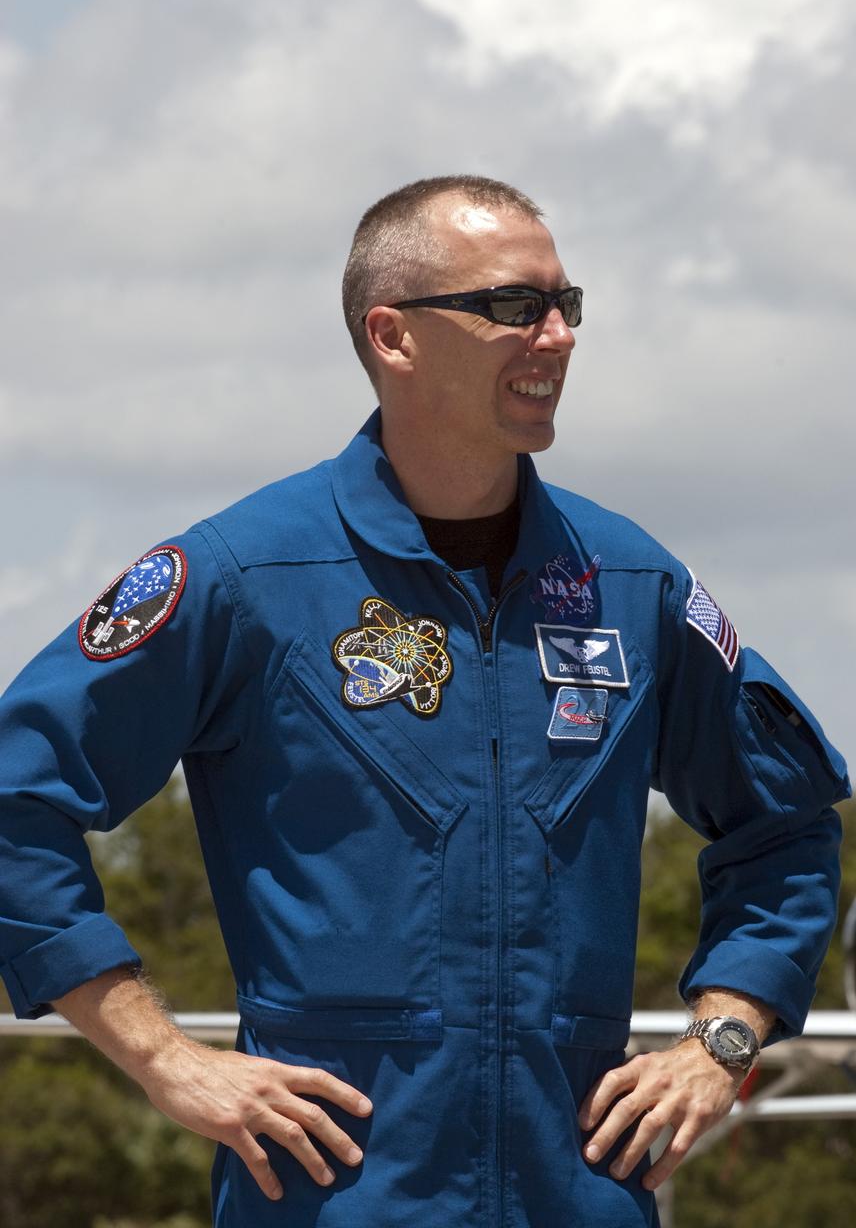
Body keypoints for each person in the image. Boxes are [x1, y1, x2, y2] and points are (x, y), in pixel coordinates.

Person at [0, 174, 849, 1228]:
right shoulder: (241, 576)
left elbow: (787, 823)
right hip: (332, 1196)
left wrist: (720, 1039)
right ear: (393, 336)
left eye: (565, 305)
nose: (557, 336)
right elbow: (13, 802)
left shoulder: (632, 581)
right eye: (512, 306)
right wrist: (165, 1058)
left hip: (577, 1194)